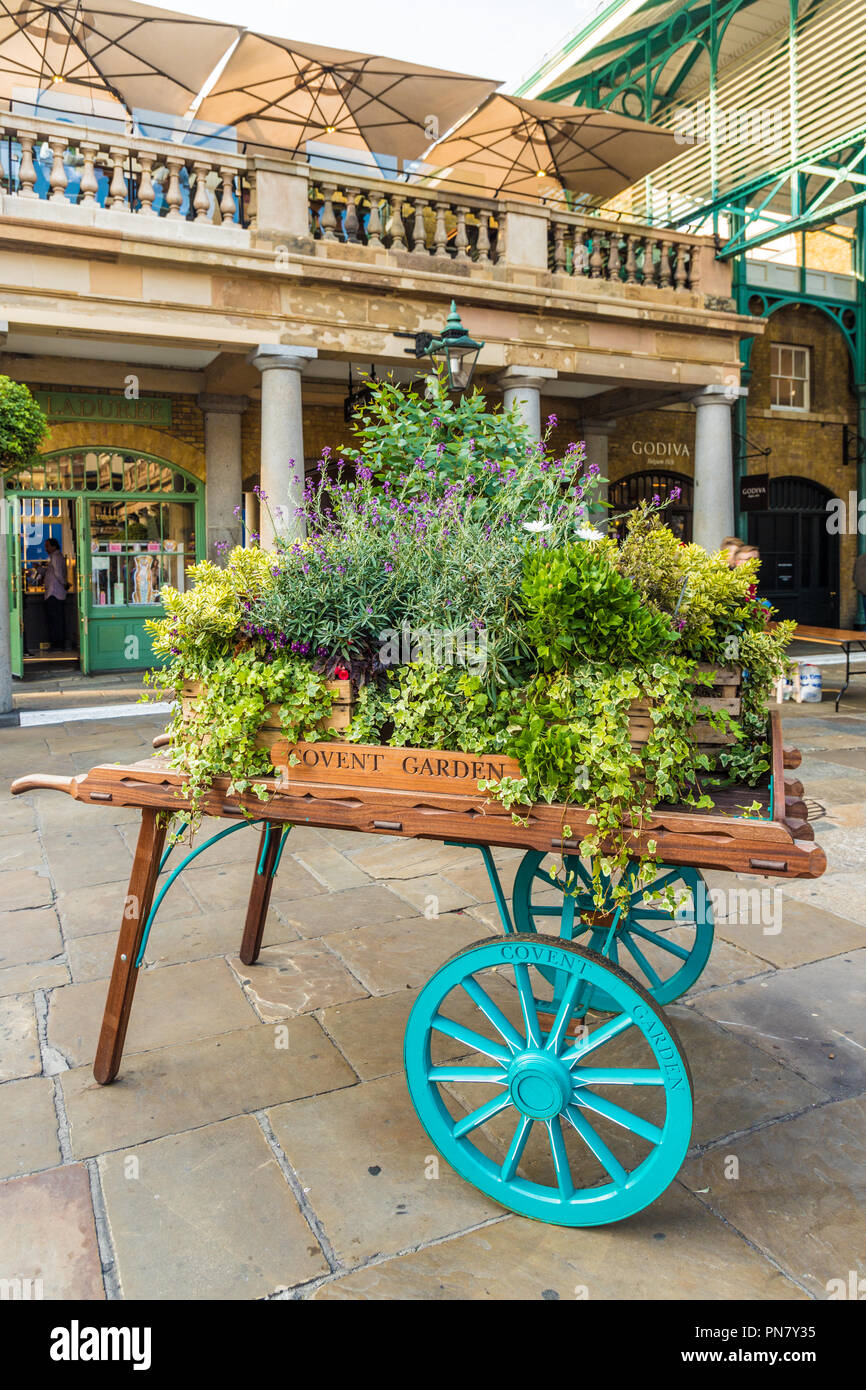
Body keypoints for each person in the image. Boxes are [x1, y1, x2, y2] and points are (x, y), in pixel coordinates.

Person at [43, 537, 68, 650]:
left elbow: (58, 574)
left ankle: (57, 644)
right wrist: (39, 569)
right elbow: (52, 573)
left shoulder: (56, 557)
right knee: (55, 620)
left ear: (54, 546)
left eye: (47, 546)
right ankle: (57, 643)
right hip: (54, 592)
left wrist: (64, 584)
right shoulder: (55, 557)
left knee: (55, 621)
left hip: (55, 593)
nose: (46, 549)